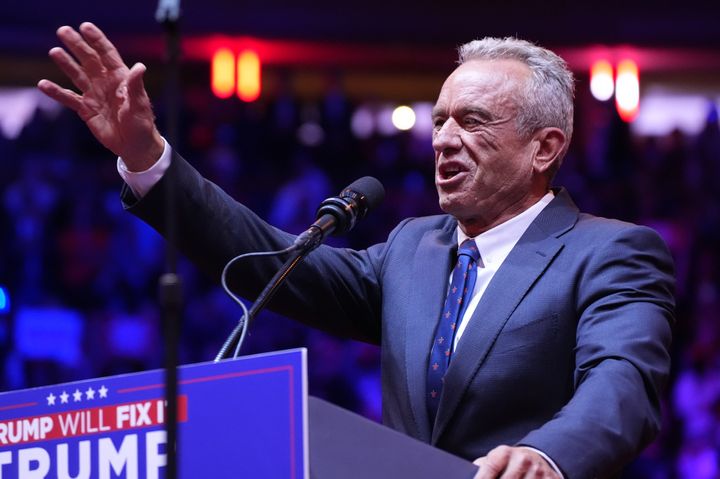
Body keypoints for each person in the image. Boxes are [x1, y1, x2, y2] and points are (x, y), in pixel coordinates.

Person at [38, 22, 675, 479]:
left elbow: (622, 383)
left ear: (545, 148)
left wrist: (549, 456)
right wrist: (147, 160)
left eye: (473, 122)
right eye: (441, 120)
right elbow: (267, 262)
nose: (444, 141)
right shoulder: (410, 251)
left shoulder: (611, 252)